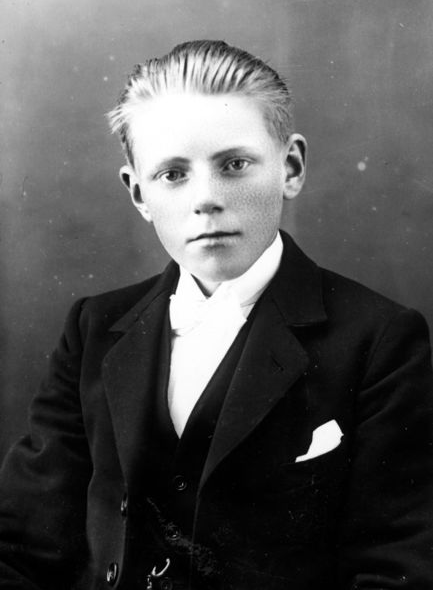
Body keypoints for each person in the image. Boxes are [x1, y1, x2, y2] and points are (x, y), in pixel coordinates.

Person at [0, 40, 432, 590]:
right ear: (138, 193)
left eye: (234, 164)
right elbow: (22, 543)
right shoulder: (94, 328)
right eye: (172, 174)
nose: (206, 198)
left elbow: (398, 565)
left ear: (291, 167)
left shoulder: (379, 339)